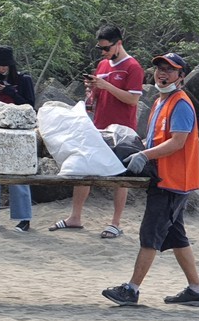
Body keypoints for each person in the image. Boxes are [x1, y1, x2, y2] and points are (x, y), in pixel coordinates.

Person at [102, 53, 199, 307]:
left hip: (172, 181)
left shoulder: (180, 104)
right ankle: (196, 291)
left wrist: (144, 154)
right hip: (167, 179)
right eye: (160, 68)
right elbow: (157, 140)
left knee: (150, 234)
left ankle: (132, 289)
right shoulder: (162, 101)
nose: (162, 73)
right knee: (176, 237)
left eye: (170, 70)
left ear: (181, 76)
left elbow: (177, 142)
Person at [48, 24, 144, 238]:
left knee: (121, 174)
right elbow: (98, 97)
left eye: (106, 48)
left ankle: (116, 222)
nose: (103, 53)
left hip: (122, 131)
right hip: (99, 125)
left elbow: (133, 99)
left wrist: (107, 86)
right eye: (100, 48)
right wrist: (93, 89)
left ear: (119, 43)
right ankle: (75, 216)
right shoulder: (102, 65)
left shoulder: (133, 67)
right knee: (84, 167)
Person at [0, 46, 35, 232]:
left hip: (19, 133)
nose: (2, 69)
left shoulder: (24, 80)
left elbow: (30, 105)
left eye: (5, 66)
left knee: (19, 175)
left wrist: (11, 92)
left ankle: (24, 218)